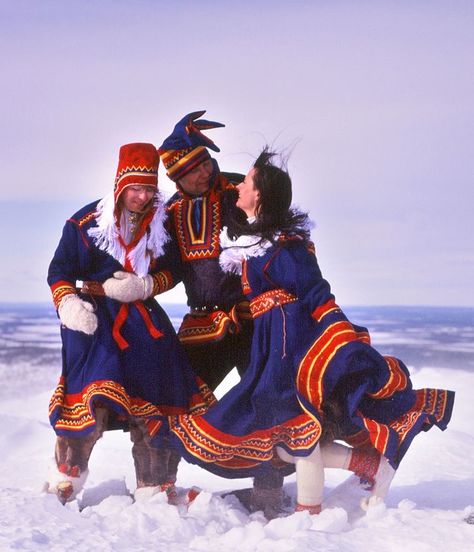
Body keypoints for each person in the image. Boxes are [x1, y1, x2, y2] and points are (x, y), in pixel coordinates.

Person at [167, 147, 455, 515]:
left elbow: (317, 292)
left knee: (295, 437)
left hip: (289, 348)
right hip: (269, 346)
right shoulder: (256, 242)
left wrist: (339, 334)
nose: (238, 187)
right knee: (286, 441)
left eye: (248, 182)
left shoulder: (286, 245)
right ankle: (364, 468)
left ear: (260, 195)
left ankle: (310, 514)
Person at [103, 112, 286, 516]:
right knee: (172, 396)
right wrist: (146, 286)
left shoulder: (239, 190)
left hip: (255, 319)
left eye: (205, 162)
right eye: (194, 170)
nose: (204, 172)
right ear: (176, 178)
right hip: (204, 323)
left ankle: (270, 494)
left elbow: (279, 232)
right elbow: (170, 269)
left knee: (268, 398)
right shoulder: (169, 216)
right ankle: (158, 486)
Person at [46, 142, 214, 504]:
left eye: (149, 189)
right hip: (94, 320)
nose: (141, 197)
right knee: (92, 394)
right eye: (135, 189)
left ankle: (154, 485)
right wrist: (69, 304)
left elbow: (176, 270)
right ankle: (67, 478)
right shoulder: (86, 222)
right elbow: (59, 271)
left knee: (157, 396)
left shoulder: (164, 224)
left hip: (142, 316)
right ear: (120, 185)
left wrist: (146, 285)